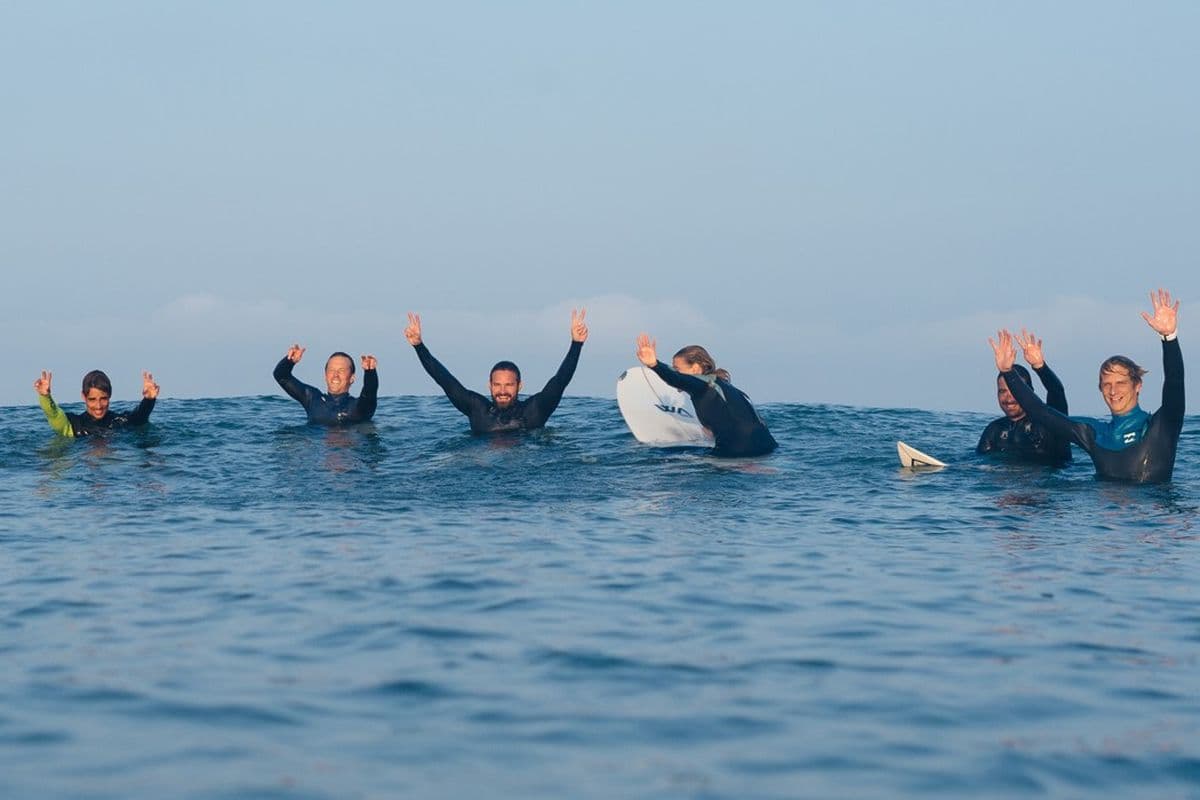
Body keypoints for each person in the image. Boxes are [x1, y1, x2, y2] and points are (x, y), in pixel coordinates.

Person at [991, 289, 1184, 483]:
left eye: (1121, 383)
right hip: (1101, 511)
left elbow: (1174, 383)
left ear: (1138, 385)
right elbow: (1041, 413)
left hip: (1152, 512)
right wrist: (1008, 372)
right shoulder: (1093, 433)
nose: (1113, 390)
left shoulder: (1161, 426)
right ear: (1100, 389)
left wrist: (1169, 338)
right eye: (1106, 384)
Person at [404, 309, 587, 434]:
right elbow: (444, 380)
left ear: (519, 386)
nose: (502, 391)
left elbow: (560, 380)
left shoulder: (535, 411)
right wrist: (419, 346)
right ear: (489, 386)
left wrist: (576, 344)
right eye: (497, 385)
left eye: (509, 385)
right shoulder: (477, 410)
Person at [634, 335, 777, 457]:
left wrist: (654, 365)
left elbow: (676, 378)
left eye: (677, 369)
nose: (675, 372)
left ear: (695, 368)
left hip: (737, 451)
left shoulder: (700, 385)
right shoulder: (723, 385)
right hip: (768, 447)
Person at [976, 329, 1071, 465]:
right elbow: (977, 463)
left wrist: (1040, 367)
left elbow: (1056, 392)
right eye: (1002, 391)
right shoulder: (994, 430)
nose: (1008, 398)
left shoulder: (1050, 421)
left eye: (1014, 391)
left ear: (1028, 392)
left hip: (1049, 483)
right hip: (1008, 483)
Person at [33, 369, 159, 437]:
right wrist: (45, 396)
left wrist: (149, 399)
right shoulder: (73, 424)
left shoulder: (119, 421)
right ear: (83, 396)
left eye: (103, 399)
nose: (98, 406)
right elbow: (54, 414)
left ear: (110, 396)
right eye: (92, 399)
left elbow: (140, 417)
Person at [273, 345, 378, 425]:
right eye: (331, 370)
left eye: (341, 370)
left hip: (351, 452)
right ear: (325, 375)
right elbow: (281, 376)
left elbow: (370, 392)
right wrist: (289, 361)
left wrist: (370, 373)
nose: (335, 375)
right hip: (320, 451)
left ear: (352, 378)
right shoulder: (312, 399)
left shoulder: (359, 407)